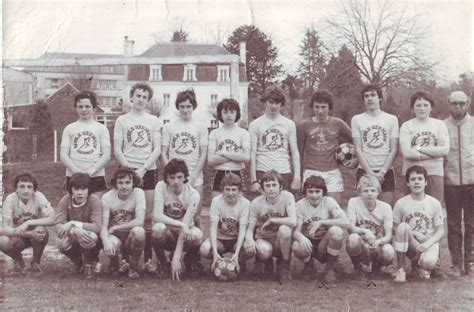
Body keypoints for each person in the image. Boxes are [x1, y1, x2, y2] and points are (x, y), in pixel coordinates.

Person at [113, 82, 161, 274]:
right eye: (138, 95)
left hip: (147, 170)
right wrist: (130, 170)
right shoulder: (122, 120)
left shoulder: (154, 120)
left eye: (145, 97)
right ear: (131, 97)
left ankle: (149, 260)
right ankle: (124, 259)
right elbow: (117, 147)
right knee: (124, 212)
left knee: (148, 216)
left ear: (148, 101)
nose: (141, 99)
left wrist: (143, 169)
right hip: (127, 169)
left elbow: (156, 149)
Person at [161, 89, 208, 272]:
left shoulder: (201, 127)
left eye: (188, 106)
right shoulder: (169, 127)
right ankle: (169, 253)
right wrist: (170, 174)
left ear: (193, 107)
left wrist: (194, 174)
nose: (185, 110)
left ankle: (193, 256)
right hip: (174, 177)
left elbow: (203, 153)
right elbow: (164, 153)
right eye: (182, 106)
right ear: (177, 107)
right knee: (173, 213)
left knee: (195, 217)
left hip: (194, 177)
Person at [297, 90, 356, 202]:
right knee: (312, 211)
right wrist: (299, 176)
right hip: (311, 171)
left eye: (323, 107)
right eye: (317, 107)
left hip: (332, 172)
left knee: (334, 209)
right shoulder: (303, 125)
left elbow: (357, 141)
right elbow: (299, 153)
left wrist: (356, 158)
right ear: (312, 107)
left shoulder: (338, 123)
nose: (320, 111)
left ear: (330, 107)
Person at [152, 159, 204, 281]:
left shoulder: (193, 195)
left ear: (185, 177)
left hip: (185, 234)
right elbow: (157, 215)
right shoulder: (161, 186)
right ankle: (162, 262)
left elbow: (185, 228)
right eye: (172, 177)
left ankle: (189, 259)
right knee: (157, 228)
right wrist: (180, 224)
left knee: (197, 235)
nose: (176, 181)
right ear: (167, 178)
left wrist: (177, 258)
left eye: (179, 177)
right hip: (168, 232)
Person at [291, 176, 349, 284]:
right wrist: (301, 238)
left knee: (337, 232)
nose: (314, 195)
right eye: (310, 191)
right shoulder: (300, 205)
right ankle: (309, 266)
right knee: (296, 245)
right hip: (309, 242)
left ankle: (330, 269)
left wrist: (322, 222)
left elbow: (346, 221)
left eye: (317, 191)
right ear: (305, 192)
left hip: (324, 242)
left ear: (323, 191)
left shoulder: (329, 201)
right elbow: (296, 231)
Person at [392, 165, 445, 283]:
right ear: (407, 183)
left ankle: (425, 266)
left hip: (428, 242)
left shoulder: (434, 203)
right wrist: (412, 233)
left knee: (428, 262)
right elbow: (394, 228)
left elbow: (441, 230)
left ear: (426, 182)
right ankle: (400, 270)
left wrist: (428, 243)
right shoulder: (401, 203)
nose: (416, 182)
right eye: (413, 179)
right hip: (412, 243)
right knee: (403, 226)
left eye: (420, 179)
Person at [244, 170, 297, 282]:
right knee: (263, 251)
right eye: (267, 186)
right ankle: (265, 262)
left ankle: (284, 266)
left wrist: (273, 220)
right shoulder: (256, 203)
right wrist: (249, 240)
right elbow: (250, 228)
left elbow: (293, 221)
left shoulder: (287, 197)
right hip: (264, 238)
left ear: (281, 187)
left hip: (280, 240)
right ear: (262, 189)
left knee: (285, 230)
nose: (271, 188)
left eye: (274, 185)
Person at [351, 84, 399, 205]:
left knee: (386, 210)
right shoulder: (357, 119)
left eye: (373, 95)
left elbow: (394, 149)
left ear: (380, 98)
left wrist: (382, 172)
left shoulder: (391, 119)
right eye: (366, 96)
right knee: (364, 211)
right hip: (365, 171)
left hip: (386, 172)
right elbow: (358, 148)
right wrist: (370, 173)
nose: (369, 98)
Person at [0, 172, 56, 274]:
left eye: (29, 187)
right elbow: (3, 228)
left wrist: (29, 222)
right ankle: (19, 261)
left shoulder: (38, 196)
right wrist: (27, 233)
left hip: (36, 235)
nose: (25, 190)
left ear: (34, 189)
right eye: (21, 186)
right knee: (2, 240)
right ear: (16, 189)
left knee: (40, 229)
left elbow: (53, 218)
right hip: (18, 237)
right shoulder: (11, 199)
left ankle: (36, 263)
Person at [399, 91, 450, 203]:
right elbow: (407, 153)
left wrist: (419, 148)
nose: (422, 108)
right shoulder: (406, 126)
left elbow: (445, 150)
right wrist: (434, 153)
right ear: (413, 108)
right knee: (412, 208)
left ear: (431, 107)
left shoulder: (439, 125)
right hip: (411, 173)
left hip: (434, 172)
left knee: (434, 207)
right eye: (418, 105)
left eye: (426, 105)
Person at [249, 85, 300, 193]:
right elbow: (252, 153)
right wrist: (254, 180)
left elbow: (295, 152)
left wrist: (297, 177)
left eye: (277, 103)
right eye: (270, 102)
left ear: (281, 104)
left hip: (283, 171)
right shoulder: (255, 124)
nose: (273, 106)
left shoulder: (289, 124)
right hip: (262, 170)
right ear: (265, 102)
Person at [444, 90, 473, 276]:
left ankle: (469, 262)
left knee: (471, 223)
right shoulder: (442, 125)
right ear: (449, 103)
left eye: (461, 103)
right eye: (454, 103)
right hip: (450, 181)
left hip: (472, 180)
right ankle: (455, 263)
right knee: (453, 224)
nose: (458, 107)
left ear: (468, 103)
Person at [60, 91, 111, 196]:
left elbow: (106, 155)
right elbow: (63, 155)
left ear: (93, 108)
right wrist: (76, 172)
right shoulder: (69, 128)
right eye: (80, 106)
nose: (84, 110)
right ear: (76, 108)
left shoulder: (102, 128)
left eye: (87, 106)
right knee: (74, 209)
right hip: (73, 175)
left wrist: (91, 172)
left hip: (96, 176)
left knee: (96, 208)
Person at [199, 173, 250, 272]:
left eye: (234, 189)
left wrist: (236, 254)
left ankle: (240, 260)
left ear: (239, 191)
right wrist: (214, 253)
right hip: (220, 240)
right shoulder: (216, 201)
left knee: (249, 249)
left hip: (236, 240)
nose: (230, 193)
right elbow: (213, 228)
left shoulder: (245, 203)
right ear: (222, 190)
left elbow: (243, 231)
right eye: (227, 189)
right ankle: (218, 258)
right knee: (204, 249)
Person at [100, 168, 146, 279]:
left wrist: (117, 227)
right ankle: (114, 263)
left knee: (139, 232)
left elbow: (140, 221)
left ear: (133, 182)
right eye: (120, 183)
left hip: (131, 234)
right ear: (115, 184)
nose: (124, 186)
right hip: (116, 236)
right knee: (110, 242)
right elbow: (104, 226)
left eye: (127, 182)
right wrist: (106, 242)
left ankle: (133, 266)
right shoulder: (107, 197)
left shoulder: (138, 193)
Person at [55, 173, 102, 278]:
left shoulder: (94, 200)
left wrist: (73, 224)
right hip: (73, 235)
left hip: (90, 236)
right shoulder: (65, 200)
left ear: (89, 189)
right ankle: (77, 261)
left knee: (91, 236)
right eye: (76, 189)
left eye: (83, 189)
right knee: (60, 242)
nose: (80, 193)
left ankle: (89, 262)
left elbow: (97, 227)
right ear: (71, 189)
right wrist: (73, 231)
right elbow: (58, 225)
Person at [346, 175, 394, 278]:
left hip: (377, 243)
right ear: (360, 192)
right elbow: (350, 227)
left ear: (378, 192)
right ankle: (358, 268)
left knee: (389, 251)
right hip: (362, 242)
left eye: (373, 190)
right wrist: (365, 231)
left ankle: (377, 268)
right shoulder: (353, 202)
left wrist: (379, 242)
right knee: (353, 239)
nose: (369, 194)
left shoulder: (386, 207)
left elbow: (389, 235)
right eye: (365, 191)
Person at [207, 98, 250, 198]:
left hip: (237, 172)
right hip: (219, 173)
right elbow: (210, 160)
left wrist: (222, 153)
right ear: (220, 114)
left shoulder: (243, 133)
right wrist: (237, 155)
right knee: (217, 205)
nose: (229, 115)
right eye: (225, 112)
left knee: (238, 207)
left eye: (232, 112)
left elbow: (246, 157)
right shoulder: (214, 133)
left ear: (237, 113)